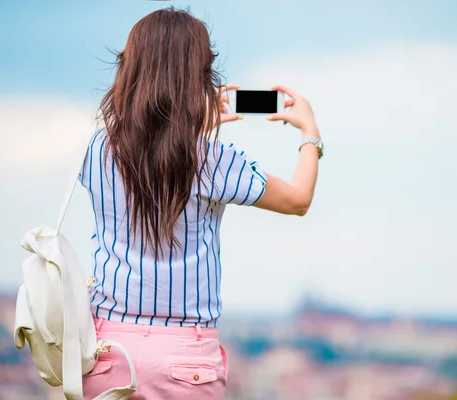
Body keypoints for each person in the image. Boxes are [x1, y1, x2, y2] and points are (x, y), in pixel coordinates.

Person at [80, 7, 323, 400]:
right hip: (184, 360)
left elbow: (151, 155)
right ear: (199, 77)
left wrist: (186, 128)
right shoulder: (212, 159)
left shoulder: (97, 149)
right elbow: (298, 200)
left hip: (106, 352)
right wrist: (310, 134)